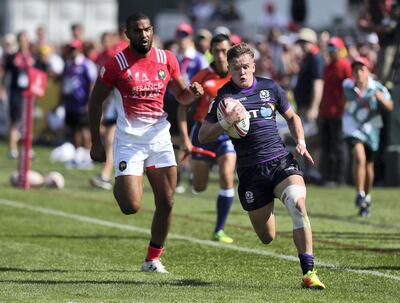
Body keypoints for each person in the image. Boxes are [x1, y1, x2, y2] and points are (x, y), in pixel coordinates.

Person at [198, 42, 325, 289]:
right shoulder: (224, 98)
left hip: (279, 161)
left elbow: (292, 117)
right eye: (236, 68)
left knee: (298, 203)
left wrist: (300, 142)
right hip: (251, 172)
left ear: (253, 65)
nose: (242, 72)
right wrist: (225, 124)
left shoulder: (271, 87)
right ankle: (271, 203)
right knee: (267, 237)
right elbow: (203, 135)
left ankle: (309, 272)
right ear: (229, 69)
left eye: (245, 66)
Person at [88, 12, 203, 273]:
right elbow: (95, 102)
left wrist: (192, 93)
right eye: (137, 31)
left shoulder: (167, 59)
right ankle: (122, 177)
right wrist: (96, 142)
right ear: (127, 34)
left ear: (153, 31)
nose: (144, 35)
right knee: (131, 206)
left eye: (147, 29)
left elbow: (181, 96)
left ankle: (152, 259)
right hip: (129, 141)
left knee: (168, 200)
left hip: (160, 137)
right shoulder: (116, 64)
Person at [178, 34, 236, 243]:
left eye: (224, 50)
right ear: (210, 51)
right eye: (217, 50)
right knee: (200, 187)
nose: (221, 55)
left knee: (227, 176)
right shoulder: (202, 75)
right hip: (203, 134)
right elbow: (183, 107)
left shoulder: (238, 75)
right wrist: (185, 137)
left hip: (227, 135)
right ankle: (195, 174)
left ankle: (219, 229)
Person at [342, 56, 393, 217]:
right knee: (359, 157)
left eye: (361, 69)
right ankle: (360, 193)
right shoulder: (347, 85)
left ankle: (367, 197)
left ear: (368, 72)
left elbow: (390, 106)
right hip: (353, 127)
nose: (358, 73)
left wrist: (381, 99)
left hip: (371, 129)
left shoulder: (377, 87)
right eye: (355, 70)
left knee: (369, 167)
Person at [318, 37, 352, 186]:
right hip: (326, 112)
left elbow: (350, 90)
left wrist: (346, 108)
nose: (331, 53)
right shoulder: (327, 66)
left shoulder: (345, 66)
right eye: (330, 50)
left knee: (339, 147)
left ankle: (340, 178)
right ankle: (328, 177)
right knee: (327, 146)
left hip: (339, 113)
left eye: (334, 50)